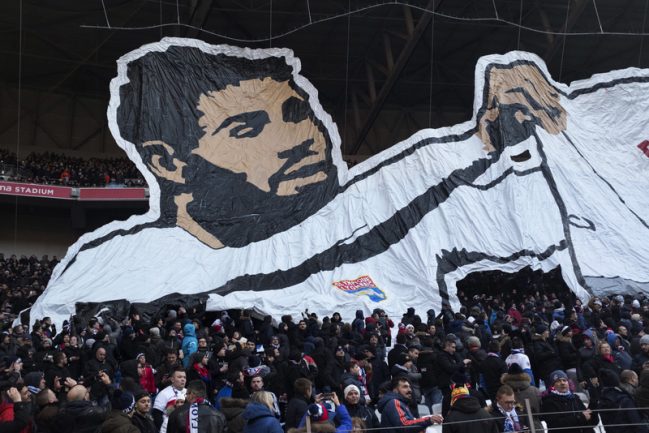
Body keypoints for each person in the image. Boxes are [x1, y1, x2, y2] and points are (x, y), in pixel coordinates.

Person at [33, 45, 630, 331]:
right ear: (169, 161)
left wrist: (485, 135)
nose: (297, 139)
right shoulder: (108, 264)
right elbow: (255, 275)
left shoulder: (355, 213)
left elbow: (400, 181)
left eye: (298, 115)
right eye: (247, 129)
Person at [378, 376, 443, 433]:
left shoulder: (401, 403)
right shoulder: (394, 402)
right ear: (395, 390)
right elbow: (404, 425)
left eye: (409, 387)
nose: (409, 390)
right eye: (405, 387)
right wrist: (428, 420)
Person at [152, 367, 186, 433]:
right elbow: (156, 415)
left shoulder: (189, 392)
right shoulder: (163, 394)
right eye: (179, 377)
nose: (183, 379)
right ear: (172, 379)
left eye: (184, 377)